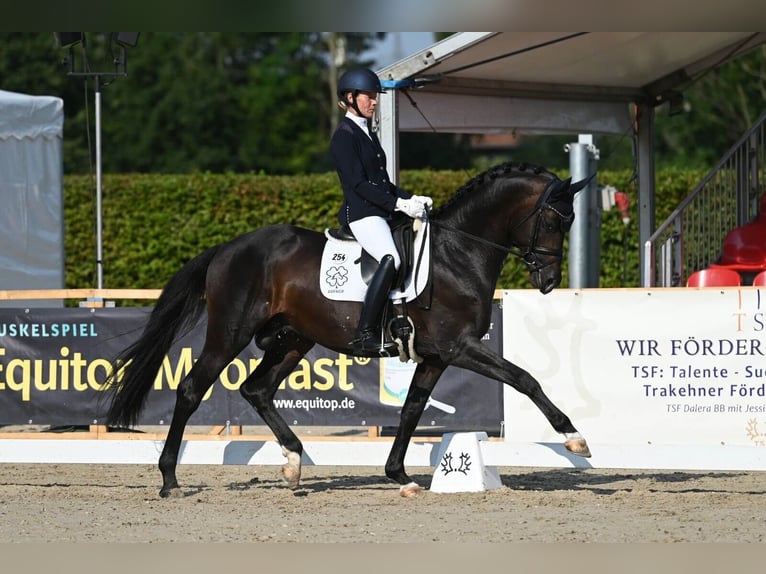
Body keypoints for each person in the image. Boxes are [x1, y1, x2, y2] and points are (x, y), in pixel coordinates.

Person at [330, 67, 432, 354]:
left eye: (376, 97)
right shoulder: (344, 136)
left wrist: (413, 198)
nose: (375, 102)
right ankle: (365, 332)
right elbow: (359, 185)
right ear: (350, 98)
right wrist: (399, 205)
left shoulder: (368, 133)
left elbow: (383, 183)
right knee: (392, 258)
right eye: (369, 97)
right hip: (362, 213)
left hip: (380, 209)